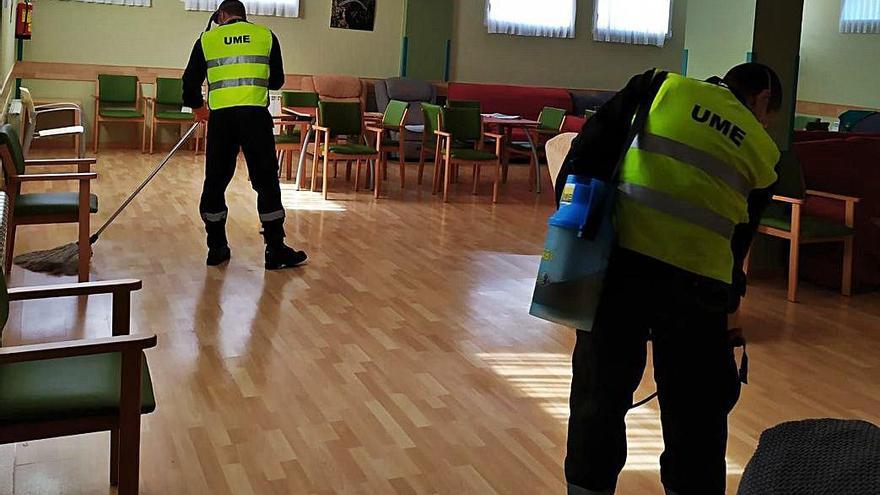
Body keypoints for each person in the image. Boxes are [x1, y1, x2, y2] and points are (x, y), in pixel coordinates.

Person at [558, 63, 783, 495]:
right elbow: (739, 245)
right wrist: (730, 310)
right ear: (761, 101)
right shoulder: (764, 151)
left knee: (598, 398)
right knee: (696, 415)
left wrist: (572, 240)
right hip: (698, 289)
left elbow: (586, 152)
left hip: (619, 269)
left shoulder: (660, 87)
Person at [182, 0, 306, 269]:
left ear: (222, 15)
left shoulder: (207, 39)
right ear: (243, 14)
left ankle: (216, 248)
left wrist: (198, 108)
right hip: (255, 118)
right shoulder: (265, 35)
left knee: (215, 181)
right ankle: (275, 249)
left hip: (222, 120)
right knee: (266, 182)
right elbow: (276, 81)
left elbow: (189, 83)